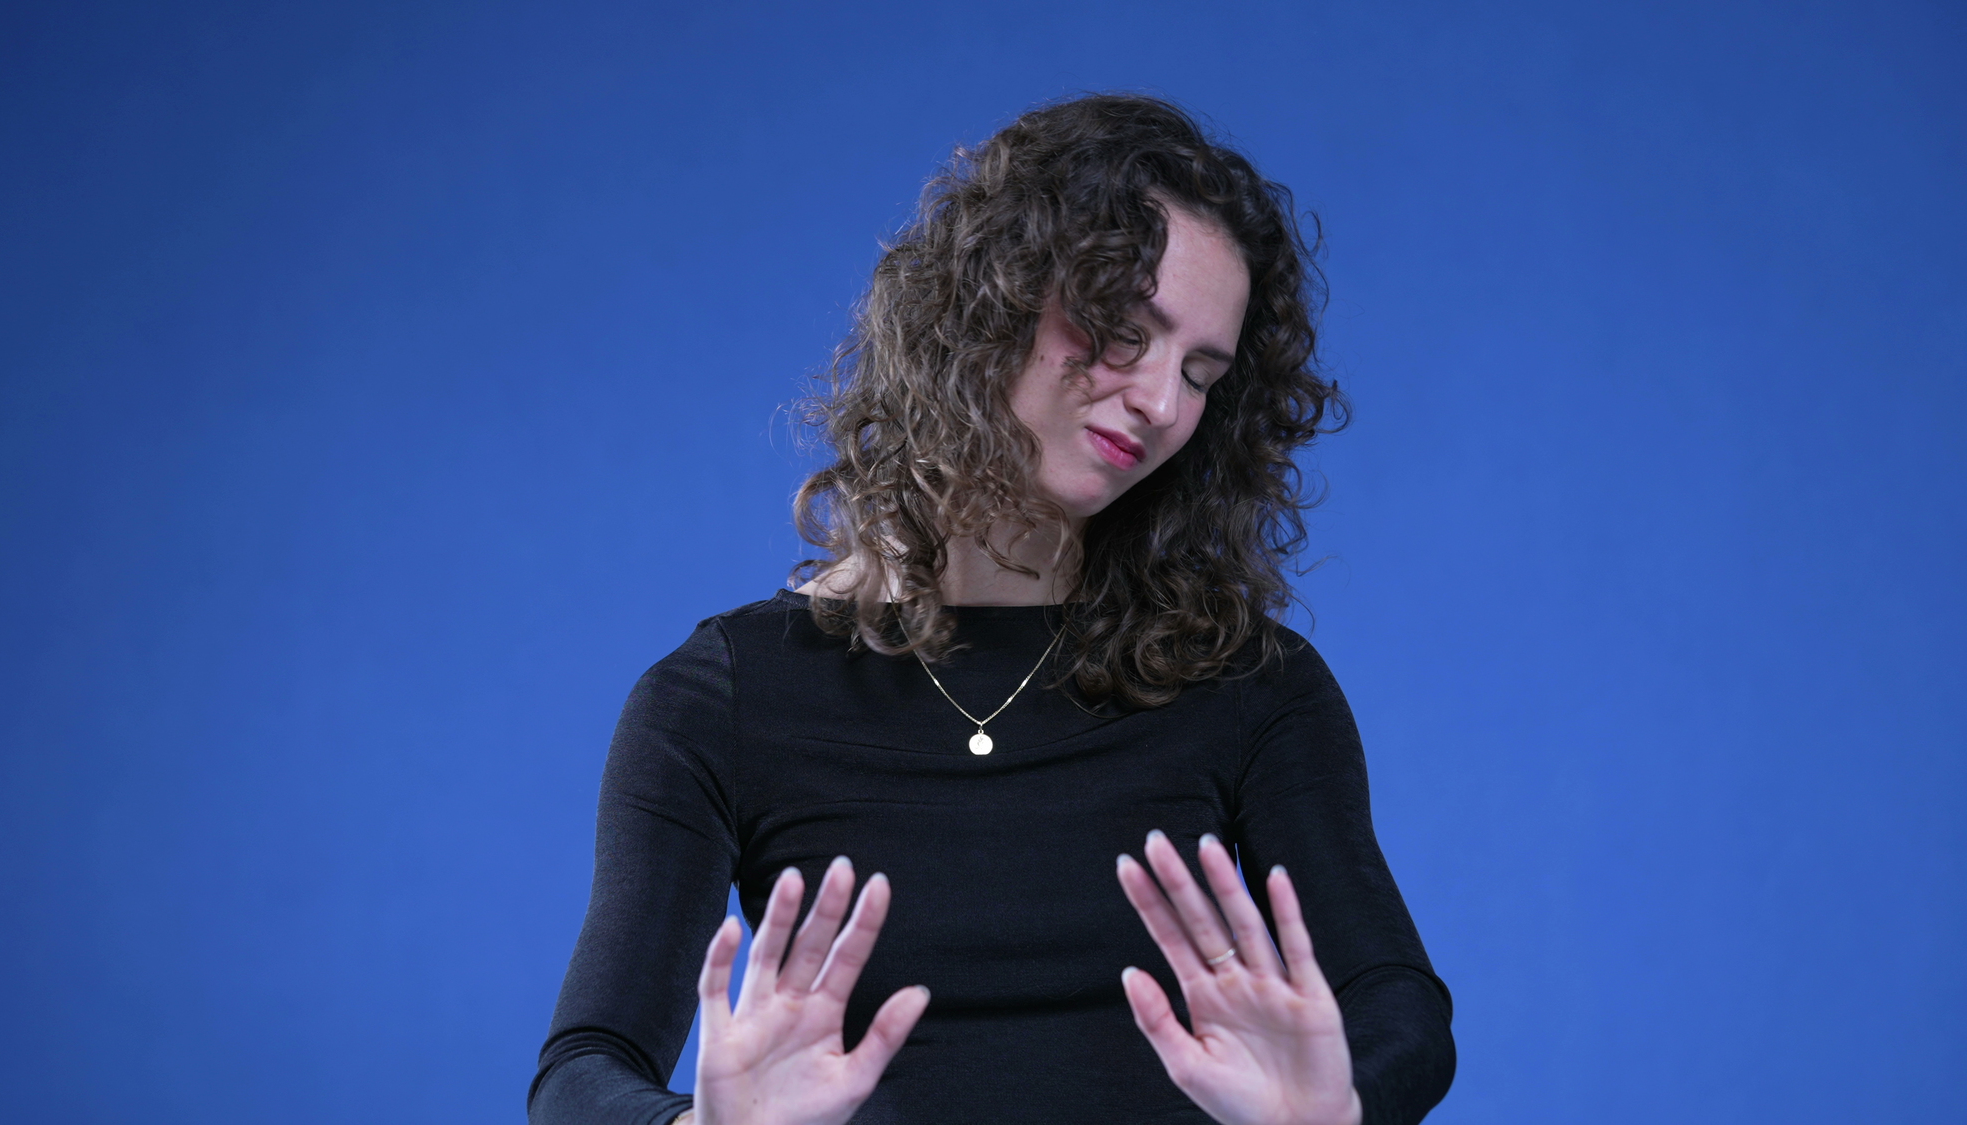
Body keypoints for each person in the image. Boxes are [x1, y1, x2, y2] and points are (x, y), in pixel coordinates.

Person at [528, 93, 1455, 1125]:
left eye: (1200, 373)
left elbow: (1396, 1010)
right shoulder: (720, 700)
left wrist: (1333, 1113)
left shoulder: (1250, 687)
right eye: (1121, 330)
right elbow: (582, 1074)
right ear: (989, 303)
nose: (1159, 402)